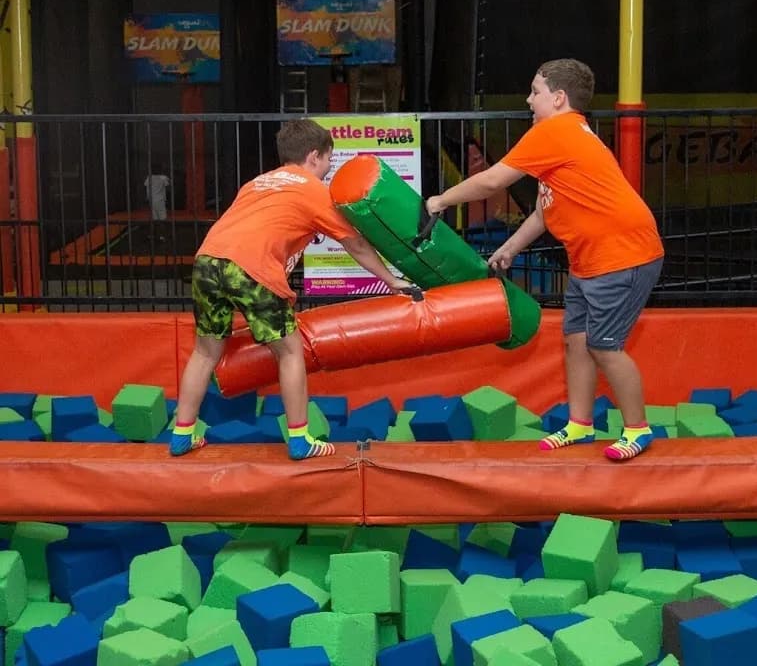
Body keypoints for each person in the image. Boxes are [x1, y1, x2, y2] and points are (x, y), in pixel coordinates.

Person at [426, 59, 664, 461]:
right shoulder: (564, 135)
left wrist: (441, 200)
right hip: (591, 260)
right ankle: (580, 424)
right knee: (576, 342)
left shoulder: (556, 130)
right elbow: (543, 211)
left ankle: (638, 429)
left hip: (623, 255)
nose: (528, 99)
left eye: (535, 91)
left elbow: (492, 180)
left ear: (558, 98)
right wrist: (511, 247)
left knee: (604, 346)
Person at [171, 118, 411, 460]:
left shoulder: (257, 182)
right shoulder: (313, 190)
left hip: (207, 262)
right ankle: (300, 439)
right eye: (329, 160)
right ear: (314, 156)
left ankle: (182, 433)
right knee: (289, 351)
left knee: (205, 353)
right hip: (250, 268)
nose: (328, 168)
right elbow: (355, 244)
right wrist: (391, 280)